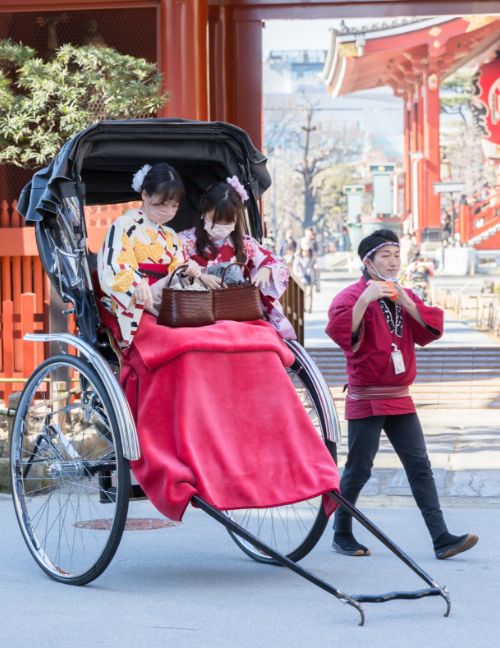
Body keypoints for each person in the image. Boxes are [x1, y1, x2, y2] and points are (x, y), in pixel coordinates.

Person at [325, 228, 478, 560]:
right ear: (368, 262)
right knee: (359, 468)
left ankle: (441, 538)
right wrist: (365, 299)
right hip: (366, 396)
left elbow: (429, 331)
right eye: (385, 256)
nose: (393, 262)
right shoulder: (350, 297)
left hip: (399, 394)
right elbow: (341, 334)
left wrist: (407, 301)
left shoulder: (402, 293)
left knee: (419, 465)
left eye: (396, 255)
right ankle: (341, 532)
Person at [97, 162, 202, 347]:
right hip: (136, 304)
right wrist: (137, 282)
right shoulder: (123, 225)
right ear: (145, 195)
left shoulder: (169, 234)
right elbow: (114, 265)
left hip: (168, 304)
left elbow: (178, 269)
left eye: (174, 206)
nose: (167, 212)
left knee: (200, 335)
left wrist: (188, 269)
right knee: (178, 341)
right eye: (161, 204)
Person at [179, 177, 296, 339]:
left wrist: (266, 270)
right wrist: (200, 276)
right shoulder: (183, 241)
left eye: (228, 221)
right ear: (203, 213)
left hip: (237, 312)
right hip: (197, 315)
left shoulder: (244, 243)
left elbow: (276, 263)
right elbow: (173, 268)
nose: (221, 226)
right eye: (214, 220)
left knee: (265, 340)